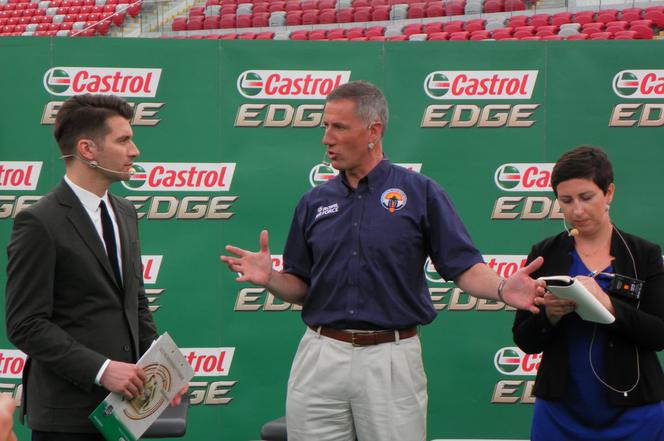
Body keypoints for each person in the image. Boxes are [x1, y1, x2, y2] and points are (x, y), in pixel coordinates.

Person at [221, 80, 545, 441]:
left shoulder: (420, 192)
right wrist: (270, 279)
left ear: (374, 131)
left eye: (339, 127)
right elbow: (301, 287)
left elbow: (463, 267)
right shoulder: (313, 202)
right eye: (325, 126)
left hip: (390, 359)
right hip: (320, 355)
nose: (326, 138)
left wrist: (501, 287)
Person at [5, 94, 185, 441]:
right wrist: (101, 370)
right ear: (87, 149)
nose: (135, 151)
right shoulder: (39, 222)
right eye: (123, 140)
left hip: (126, 414)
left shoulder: (126, 213)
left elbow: (135, 304)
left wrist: (162, 373)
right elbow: (25, 324)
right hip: (67, 419)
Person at [512, 146, 664, 440]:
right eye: (565, 201)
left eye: (586, 197)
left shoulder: (643, 254)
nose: (576, 211)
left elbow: (659, 333)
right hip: (560, 414)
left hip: (636, 414)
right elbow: (525, 340)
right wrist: (549, 316)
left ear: (609, 193)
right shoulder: (544, 254)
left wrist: (608, 304)